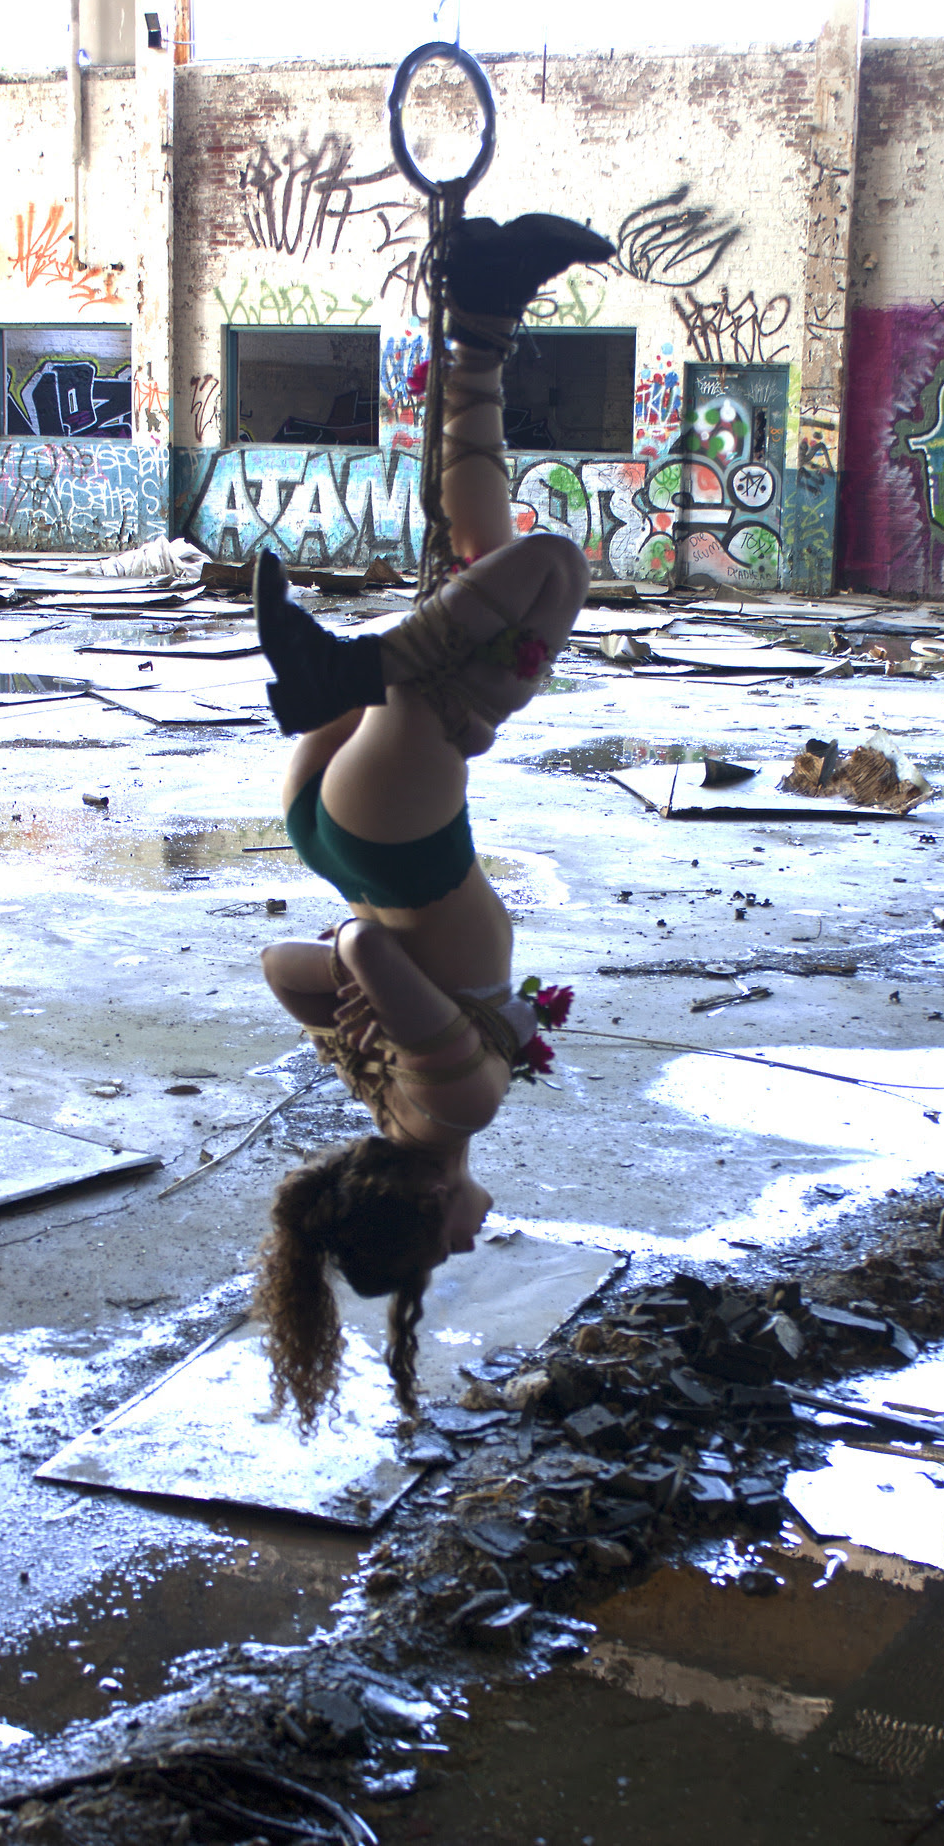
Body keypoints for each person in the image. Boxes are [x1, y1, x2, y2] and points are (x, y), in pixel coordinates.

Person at [253, 213, 613, 1431]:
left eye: (439, 1250)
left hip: (399, 844)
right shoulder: (392, 1104)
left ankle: (347, 667)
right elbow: (285, 965)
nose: (467, 1244)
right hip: (338, 831)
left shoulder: (455, 1111)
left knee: (548, 572)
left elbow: (358, 947)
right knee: (483, 554)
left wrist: (372, 965)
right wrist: (359, 987)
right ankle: (484, 320)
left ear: (419, 1209)